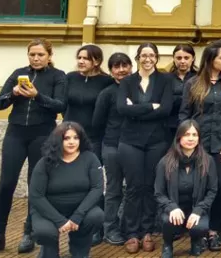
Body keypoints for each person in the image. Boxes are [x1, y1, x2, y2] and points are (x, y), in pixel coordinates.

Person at [0, 39, 68, 257]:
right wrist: (13, 93)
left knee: (35, 184)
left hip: (42, 133)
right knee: (6, 184)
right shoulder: (18, 73)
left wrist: (37, 96)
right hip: (16, 132)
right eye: (32, 55)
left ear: (49, 55)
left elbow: (60, 106)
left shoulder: (58, 76)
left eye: (40, 54)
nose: (36, 59)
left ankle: (29, 232)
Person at [179, 41, 221, 248]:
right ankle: (199, 230)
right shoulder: (193, 83)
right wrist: (188, 139)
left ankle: (213, 229)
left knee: (220, 186)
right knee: (198, 187)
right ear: (210, 60)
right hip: (198, 144)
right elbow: (184, 114)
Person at [117, 43, 173, 254]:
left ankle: (147, 231)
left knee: (150, 186)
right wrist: (151, 106)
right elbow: (122, 109)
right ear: (138, 58)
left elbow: (166, 109)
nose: (147, 59)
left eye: (151, 55)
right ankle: (131, 233)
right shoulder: (128, 82)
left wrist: (135, 110)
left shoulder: (165, 80)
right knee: (133, 187)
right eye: (144, 55)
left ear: (157, 58)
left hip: (156, 141)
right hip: (130, 141)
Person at [26, 122, 102, 258]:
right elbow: (36, 196)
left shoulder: (90, 158)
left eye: (75, 138)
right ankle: (48, 252)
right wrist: (60, 221)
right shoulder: (45, 163)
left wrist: (77, 216)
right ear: (58, 140)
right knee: (45, 232)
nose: (72, 142)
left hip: (79, 209)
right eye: (66, 138)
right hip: (49, 211)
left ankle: (80, 251)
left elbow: (97, 188)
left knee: (96, 216)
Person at [154, 120, 218, 258]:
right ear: (179, 137)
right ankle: (167, 244)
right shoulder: (165, 162)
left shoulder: (208, 161)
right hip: (174, 209)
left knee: (200, 226)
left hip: (196, 209)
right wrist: (171, 207)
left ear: (199, 138)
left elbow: (212, 191)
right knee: (168, 220)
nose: (191, 138)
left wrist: (199, 210)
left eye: (194, 135)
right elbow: (158, 193)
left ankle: (196, 241)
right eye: (187, 134)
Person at [91, 52, 132, 246]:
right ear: (111, 70)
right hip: (112, 147)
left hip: (134, 147)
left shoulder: (139, 90)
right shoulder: (106, 94)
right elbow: (96, 125)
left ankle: (129, 226)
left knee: (134, 189)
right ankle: (110, 228)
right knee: (114, 189)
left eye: (125, 65)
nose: (122, 69)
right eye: (117, 66)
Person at [63, 46, 113, 163]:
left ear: (96, 61)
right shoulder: (70, 77)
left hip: (94, 137)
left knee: (90, 171)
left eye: (85, 58)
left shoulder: (106, 81)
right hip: (69, 133)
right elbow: (63, 103)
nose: (80, 61)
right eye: (79, 57)